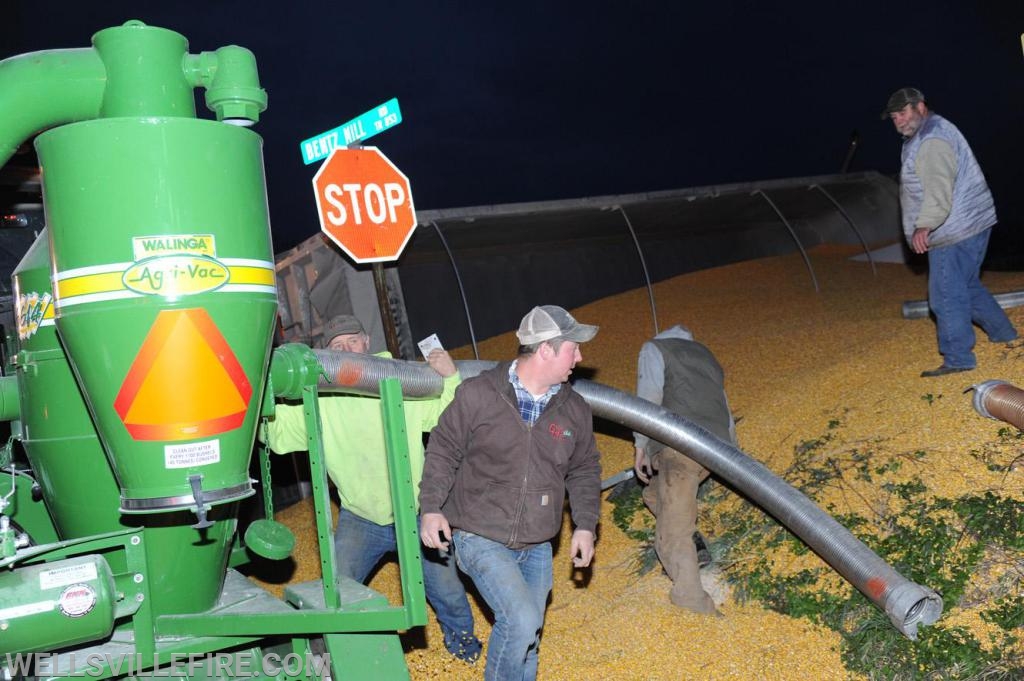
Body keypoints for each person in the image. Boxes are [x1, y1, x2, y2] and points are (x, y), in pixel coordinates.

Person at [263, 314, 482, 663]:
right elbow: (278, 435)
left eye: (352, 341)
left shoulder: (398, 377)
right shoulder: (321, 398)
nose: (347, 349)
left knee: (447, 589)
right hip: (360, 517)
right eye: (337, 347)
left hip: (416, 513)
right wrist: (261, 404)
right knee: (338, 591)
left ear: (366, 342)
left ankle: (463, 643)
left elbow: (448, 413)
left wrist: (451, 377)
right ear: (327, 357)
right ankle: (348, 658)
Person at [419, 305, 602, 681]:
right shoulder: (479, 394)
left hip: (537, 544)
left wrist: (585, 525)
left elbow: (584, 468)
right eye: (573, 348)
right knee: (520, 620)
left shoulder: (575, 410)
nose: (580, 357)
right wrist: (431, 507)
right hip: (479, 534)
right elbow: (443, 448)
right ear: (546, 350)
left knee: (529, 635)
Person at [883, 86, 1018, 377]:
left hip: (953, 228)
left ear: (920, 106)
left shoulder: (931, 139)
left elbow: (939, 189)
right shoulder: (930, 131)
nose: (899, 121)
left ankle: (959, 358)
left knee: (944, 294)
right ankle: (1004, 333)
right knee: (966, 285)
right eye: (894, 117)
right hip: (971, 221)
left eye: (903, 113)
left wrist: (924, 224)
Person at [633, 324, 734, 615]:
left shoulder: (655, 348)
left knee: (673, 530)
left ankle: (691, 601)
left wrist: (640, 446)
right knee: (654, 496)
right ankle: (695, 544)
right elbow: (723, 405)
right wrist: (733, 455)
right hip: (714, 448)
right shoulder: (706, 355)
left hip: (679, 446)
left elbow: (647, 401)